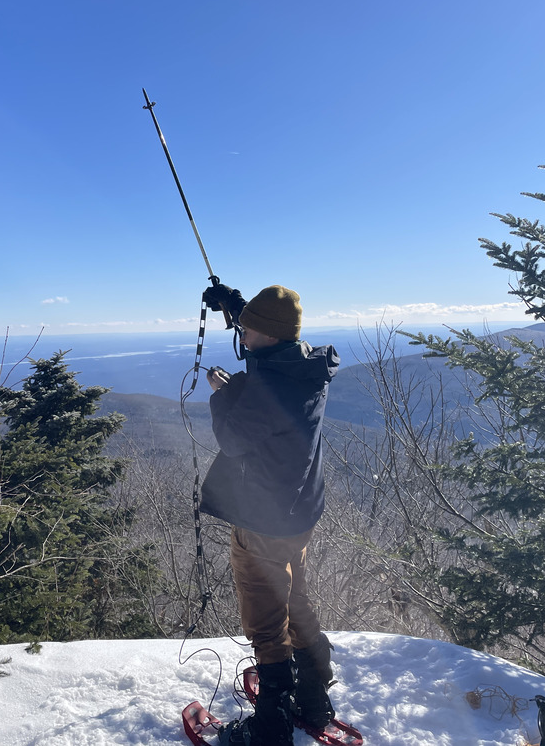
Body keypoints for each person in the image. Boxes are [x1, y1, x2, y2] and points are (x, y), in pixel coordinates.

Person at [201, 284, 340, 746]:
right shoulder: (302, 364)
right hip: (299, 512)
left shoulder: (269, 386)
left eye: (246, 328)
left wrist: (222, 394)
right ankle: (315, 697)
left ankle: (271, 727)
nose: (242, 334)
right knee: (295, 599)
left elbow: (233, 438)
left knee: (265, 619)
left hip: (262, 519)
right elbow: (269, 339)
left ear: (261, 334)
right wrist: (236, 305)